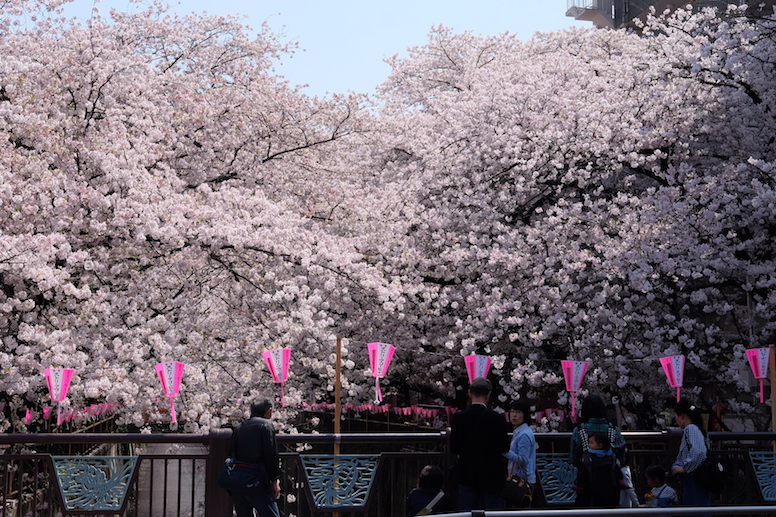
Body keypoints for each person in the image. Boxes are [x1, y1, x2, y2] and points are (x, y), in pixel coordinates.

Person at [450, 377, 510, 511]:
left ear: (470, 393)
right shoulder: (497, 418)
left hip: (467, 473)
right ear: (489, 395)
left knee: (466, 512)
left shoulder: (459, 418)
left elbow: (454, 448)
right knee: (493, 513)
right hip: (492, 475)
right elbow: (504, 447)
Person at [568, 394, 628, 507]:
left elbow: (573, 458)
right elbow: (622, 455)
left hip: (587, 483)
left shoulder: (580, 430)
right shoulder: (613, 430)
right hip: (611, 481)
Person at [228, 398, 281, 517]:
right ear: (268, 411)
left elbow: (231, 453)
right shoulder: (266, 425)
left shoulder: (240, 427)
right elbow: (271, 455)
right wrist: (274, 481)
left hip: (238, 481)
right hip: (258, 481)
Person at [670, 399, 712, 516]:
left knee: (695, 511)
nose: (676, 420)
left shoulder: (691, 429)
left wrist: (684, 467)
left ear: (682, 416)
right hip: (699, 477)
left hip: (694, 477)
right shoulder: (698, 429)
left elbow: (699, 452)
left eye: (676, 416)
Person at [503, 399, 536, 508]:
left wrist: (505, 452)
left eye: (518, 412)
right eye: (512, 412)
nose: (514, 415)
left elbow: (523, 460)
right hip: (518, 478)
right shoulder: (519, 431)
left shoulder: (524, 435)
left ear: (525, 415)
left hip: (522, 480)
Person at [574, 433, 622, 508]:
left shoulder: (588, 457)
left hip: (595, 490)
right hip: (603, 490)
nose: (589, 445)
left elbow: (583, 472)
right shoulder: (611, 457)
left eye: (591, 443)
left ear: (600, 445)